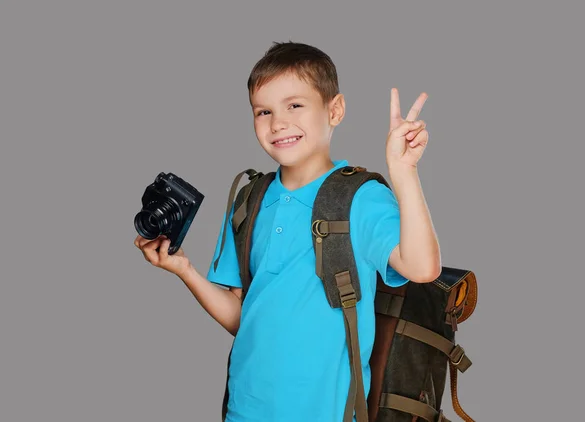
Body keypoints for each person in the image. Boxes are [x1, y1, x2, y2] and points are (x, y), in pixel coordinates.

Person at [134, 41, 441, 422]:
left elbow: (423, 268)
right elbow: (240, 316)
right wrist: (184, 270)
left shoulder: (361, 197)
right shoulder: (250, 198)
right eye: (264, 111)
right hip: (244, 409)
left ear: (335, 110)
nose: (278, 123)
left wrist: (403, 172)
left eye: (295, 105)